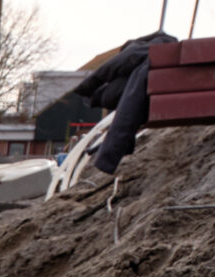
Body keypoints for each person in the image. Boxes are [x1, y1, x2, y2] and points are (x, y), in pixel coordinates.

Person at [71, 30, 174, 180]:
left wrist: (87, 87)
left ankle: (96, 98)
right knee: (128, 86)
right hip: (163, 92)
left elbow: (113, 66)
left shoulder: (152, 48)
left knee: (125, 88)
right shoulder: (161, 49)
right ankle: (97, 98)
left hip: (151, 94)